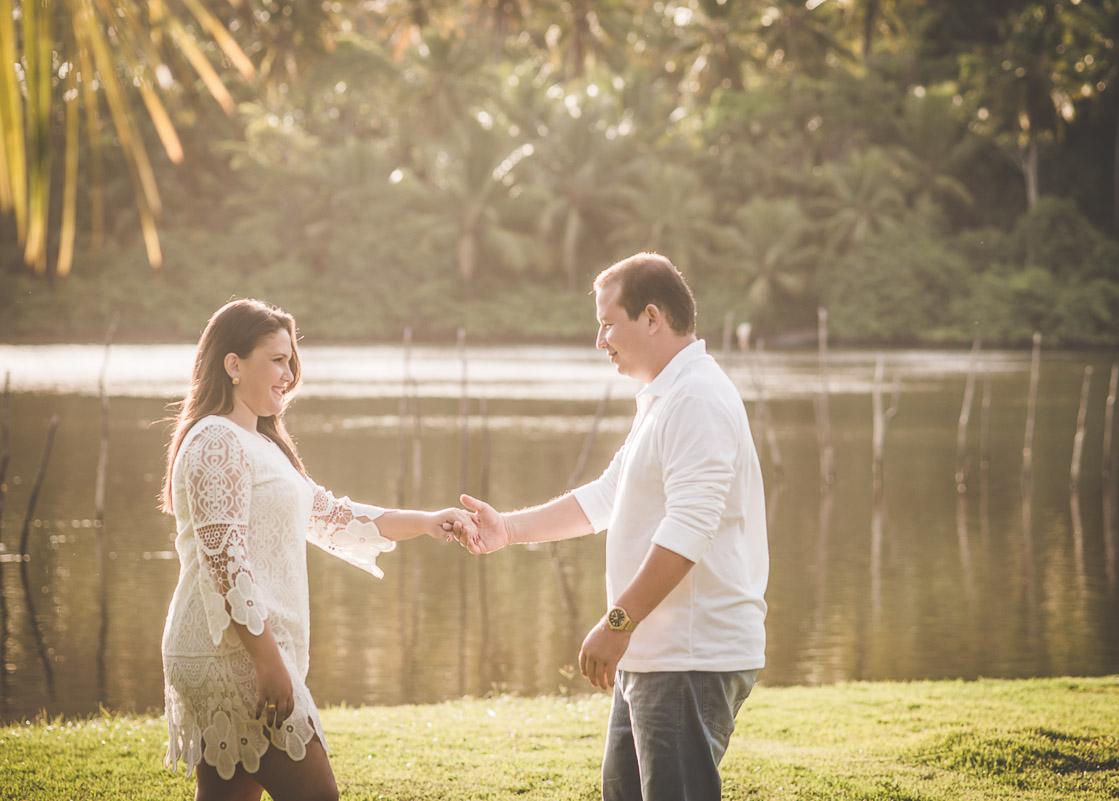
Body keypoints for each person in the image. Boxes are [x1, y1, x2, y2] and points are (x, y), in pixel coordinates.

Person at [454, 252, 769, 801]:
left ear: (652, 317)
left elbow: (689, 530)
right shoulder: (663, 398)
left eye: (607, 322)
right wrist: (507, 528)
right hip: (654, 653)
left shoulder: (697, 399)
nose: (599, 340)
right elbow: (605, 498)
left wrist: (617, 622)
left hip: (688, 656)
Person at [160, 298, 469, 801]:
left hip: (238, 649)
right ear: (233, 364)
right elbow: (225, 564)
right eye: (276, 359)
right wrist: (268, 663)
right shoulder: (217, 441)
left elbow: (333, 514)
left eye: (291, 359)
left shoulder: (257, 441)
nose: (289, 373)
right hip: (230, 653)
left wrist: (430, 521)